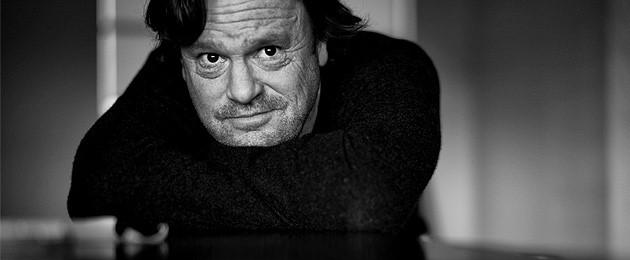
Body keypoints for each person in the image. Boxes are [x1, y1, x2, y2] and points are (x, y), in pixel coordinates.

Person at [68, 0, 441, 237]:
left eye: (269, 51)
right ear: (182, 64)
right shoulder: (173, 67)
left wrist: (165, 180)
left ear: (321, 43)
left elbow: (366, 198)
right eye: (212, 58)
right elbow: (97, 180)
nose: (243, 91)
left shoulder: (389, 66)